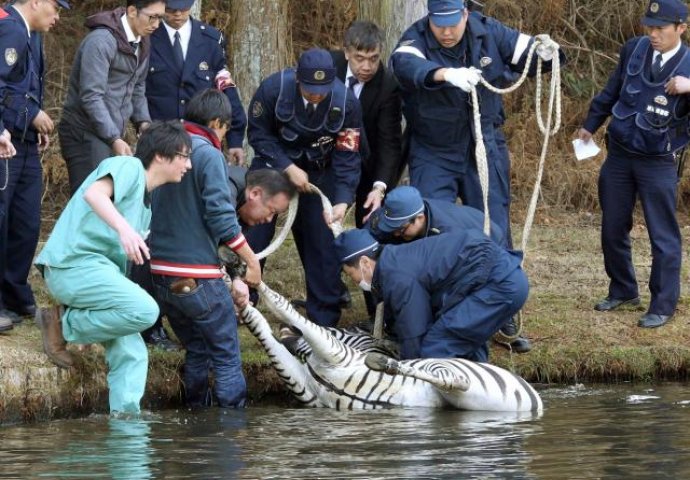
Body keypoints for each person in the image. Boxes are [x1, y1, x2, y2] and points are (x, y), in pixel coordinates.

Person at [34, 121, 192, 414]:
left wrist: (102, 320)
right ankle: (62, 323)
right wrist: (124, 230)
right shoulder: (127, 166)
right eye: (184, 156)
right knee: (145, 311)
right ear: (161, 155)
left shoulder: (146, 204)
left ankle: (125, 426)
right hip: (72, 266)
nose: (189, 165)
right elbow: (94, 194)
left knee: (134, 354)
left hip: (97, 275)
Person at [148, 89, 292, 408]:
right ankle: (232, 429)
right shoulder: (208, 154)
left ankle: (197, 416)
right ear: (217, 123)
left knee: (198, 347)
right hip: (196, 274)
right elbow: (220, 216)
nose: (225, 137)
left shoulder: (161, 145)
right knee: (228, 357)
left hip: (158, 273)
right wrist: (250, 261)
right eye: (227, 129)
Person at [390, 0, 564, 248]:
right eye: (439, 25)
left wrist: (544, 54)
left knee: (493, 227)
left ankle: (498, 283)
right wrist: (445, 74)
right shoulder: (415, 37)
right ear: (429, 18)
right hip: (434, 152)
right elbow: (405, 64)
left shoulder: (489, 31)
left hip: (485, 147)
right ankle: (439, 283)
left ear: (465, 13)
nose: (446, 33)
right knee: (430, 226)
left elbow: (526, 51)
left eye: (452, 24)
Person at [577, 0, 690, 329]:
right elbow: (612, 89)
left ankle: (663, 305)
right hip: (621, 154)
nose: (653, 34)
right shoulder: (634, 49)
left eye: (661, 29)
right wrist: (590, 124)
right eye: (649, 27)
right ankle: (623, 290)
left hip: (658, 162)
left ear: (681, 28)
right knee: (612, 227)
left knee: (663, 236)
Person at [245, 48, 363, 328]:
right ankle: (242, 300)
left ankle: (324, 317)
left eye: (322, 90)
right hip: (274, 167)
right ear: (298, 79)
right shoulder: (273, 90)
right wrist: (287, 167)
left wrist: (343, 200)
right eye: (310, 89)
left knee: (322, 243)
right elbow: (258, 134)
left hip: (319, 174)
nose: (316, 95)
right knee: (255, 233)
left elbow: (348, 155)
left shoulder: (346, 103)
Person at [367, 185, 531, 352]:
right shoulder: (400, 211)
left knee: (449, 321)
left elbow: (457, 287)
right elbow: (371, 235)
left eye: (401, 230)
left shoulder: (450, 235)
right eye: (392, 229)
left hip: (488, 247)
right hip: (466, 248)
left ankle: (502, 323)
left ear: (420, 218)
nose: (396, 235)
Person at [334, 228, 528, 362]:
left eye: (352, 274)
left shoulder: (396, 276)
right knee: (463, 342)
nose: (354, 282)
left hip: (500, 285)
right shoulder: (394, 261)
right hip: (504, 280)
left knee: (435, 346)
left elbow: (414, 330)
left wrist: (406, 372)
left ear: (365, 263)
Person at [0, 0, 69, 333]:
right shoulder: (9, 27)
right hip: (5, 141)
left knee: (26, 224)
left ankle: (14, 292)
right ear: (36, 1)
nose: (57, 17)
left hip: (23, 141)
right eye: (55, 8)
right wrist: (23, 119)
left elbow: (23, 89)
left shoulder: (33, 34)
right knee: (1, 219)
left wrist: (34, 125)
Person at [59, 0, 166, 195]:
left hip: (110, 134)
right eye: (153, 17)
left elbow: (137, 86)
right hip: (84, 133)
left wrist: (143, 122)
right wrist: (114, 138)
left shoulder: (143, 40)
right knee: (90, 203)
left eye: (161, 18)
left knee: (108, 203)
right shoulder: (101, 41)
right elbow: (91, 96)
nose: (157, 24)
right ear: (132, 11)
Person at [146, 0, 248, 165]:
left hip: (200, 141)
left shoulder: (211, 40)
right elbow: (135, 89)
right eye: (171, 9)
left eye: (183, 8)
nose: (177, 14)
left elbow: (226, 89)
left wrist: (235, 139)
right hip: (158, 141)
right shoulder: (147, 38)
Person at [330, 20, 403, 227]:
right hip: (324, 161)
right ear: (346, 53)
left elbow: (389, 142)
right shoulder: (328, 66)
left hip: (365, 163)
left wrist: (379, 187)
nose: (367, 67)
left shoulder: (388, 85)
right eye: (359, 58)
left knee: (370, 225)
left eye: (373, 59)